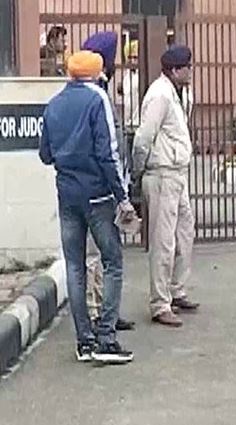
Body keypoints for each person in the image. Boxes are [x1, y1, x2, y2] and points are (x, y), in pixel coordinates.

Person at [39, 50, 136, 364]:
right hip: (97, 195)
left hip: (67, 194)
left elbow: (45, 155)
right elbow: (107, 152)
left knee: (75, 267)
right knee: (113, 262)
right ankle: (107, 339)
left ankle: (84, 342)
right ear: (97, 74)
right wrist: (122, 197)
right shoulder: (97, 100)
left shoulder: (53, 105)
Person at [133, 45, 198, 328]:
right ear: (175, 70)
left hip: (176, 173)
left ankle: (176, 289)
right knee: (163, 240)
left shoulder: (178, 93)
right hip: (161, 172)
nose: (190, 71)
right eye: (187, 67)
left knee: (185, 229)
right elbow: (143, 136)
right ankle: (160, 303)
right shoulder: (160, 95)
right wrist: (141, 168)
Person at [82, 31, 136, 332]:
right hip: (98, 188)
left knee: (105, 253)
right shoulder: (93, 93)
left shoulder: (98, 88)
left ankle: (106, 310)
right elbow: (103, 146)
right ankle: (96, 313)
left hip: (106, 186)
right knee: (95, 254)